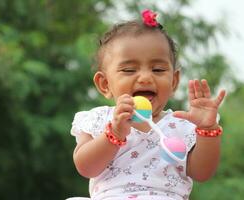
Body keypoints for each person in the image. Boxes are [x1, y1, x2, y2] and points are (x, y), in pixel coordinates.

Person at [69, 9, 226, 200]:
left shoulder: (180, 125)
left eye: (158, 69)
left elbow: (202, 173)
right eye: (129, 69)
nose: (145, 78)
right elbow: (86, 167)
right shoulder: (99, 120)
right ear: (105, 84)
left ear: (174, 81)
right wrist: (114, 133)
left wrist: (207, 129)